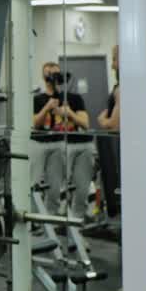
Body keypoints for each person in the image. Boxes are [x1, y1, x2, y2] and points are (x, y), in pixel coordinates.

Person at [32, 62, 90, 218]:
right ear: (44, 77)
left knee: (58, 188)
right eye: (49, 74)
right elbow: (34, 124)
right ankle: (36, 219)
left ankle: (59, 219)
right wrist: (47, 107)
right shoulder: (37, 99)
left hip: (65, 145)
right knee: (34, 184)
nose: (53, 77)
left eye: (56, 73)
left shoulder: (74, 98)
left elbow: (85, 124)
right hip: (41, 144)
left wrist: (69, 113)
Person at [97, 45, 120, 131]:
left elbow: (114, 125)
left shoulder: (120, 90)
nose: (112, 66)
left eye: (114, 59)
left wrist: (102, 120)